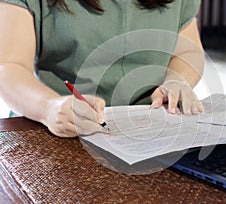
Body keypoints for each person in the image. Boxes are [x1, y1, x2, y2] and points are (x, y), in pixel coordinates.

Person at [0, 0, 204, 138]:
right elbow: (10, 66)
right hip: (58, 127)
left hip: (153, 126)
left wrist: (177, 79)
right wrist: (48, 107)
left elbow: (187, 52)